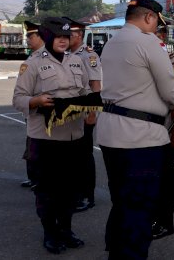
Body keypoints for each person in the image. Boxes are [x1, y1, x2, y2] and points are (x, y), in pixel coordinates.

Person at [96, 0, 174, 259]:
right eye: (157, 21)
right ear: (149, 17)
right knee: (140, 209)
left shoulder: (112, 43)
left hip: (111, 134)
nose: (157, 27)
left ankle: (117, 253)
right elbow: (170, 89)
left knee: (122, 204)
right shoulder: (147, 42)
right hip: (140, 138)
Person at [12, 17, 92, 254]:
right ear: (48, 37)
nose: (63, 41)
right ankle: (50, 232)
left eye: (66, 37)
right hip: (45, 140)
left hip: (73, 137)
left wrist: (89, 103)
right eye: (58, 36)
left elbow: (85, 90)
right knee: (48, 191)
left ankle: (66, 230)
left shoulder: (77, 61)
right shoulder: (32, 64)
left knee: (69, 190)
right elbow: (18, 99)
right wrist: (36, 101)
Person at [62, 17, 102, 214]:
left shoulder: (88, 56)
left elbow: (96, 85)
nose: (66, 38)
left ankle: (88, 196)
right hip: (73, 112)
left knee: (84, 155)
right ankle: (76, 192)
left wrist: (93, 113)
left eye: (69, 35)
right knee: (74, 155)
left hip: (86, 113)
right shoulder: (69, 55)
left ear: (78, 36)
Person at [152, 19, 174, 241]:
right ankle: (152, 218)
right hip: (143, 129)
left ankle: (165, 221)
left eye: (156, 34)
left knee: (164, 178)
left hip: (163, 127)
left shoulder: (169, 59)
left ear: (162, 36)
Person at [20, 20, 45, 190]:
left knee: (40, 147)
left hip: (42, 111)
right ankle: (34, 178)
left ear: (41, 37)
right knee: (32, 146)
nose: (28, 39)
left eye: (31, 36)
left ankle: (41, 180)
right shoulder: (33, 56)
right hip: (32, 109)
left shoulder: (46, 57)